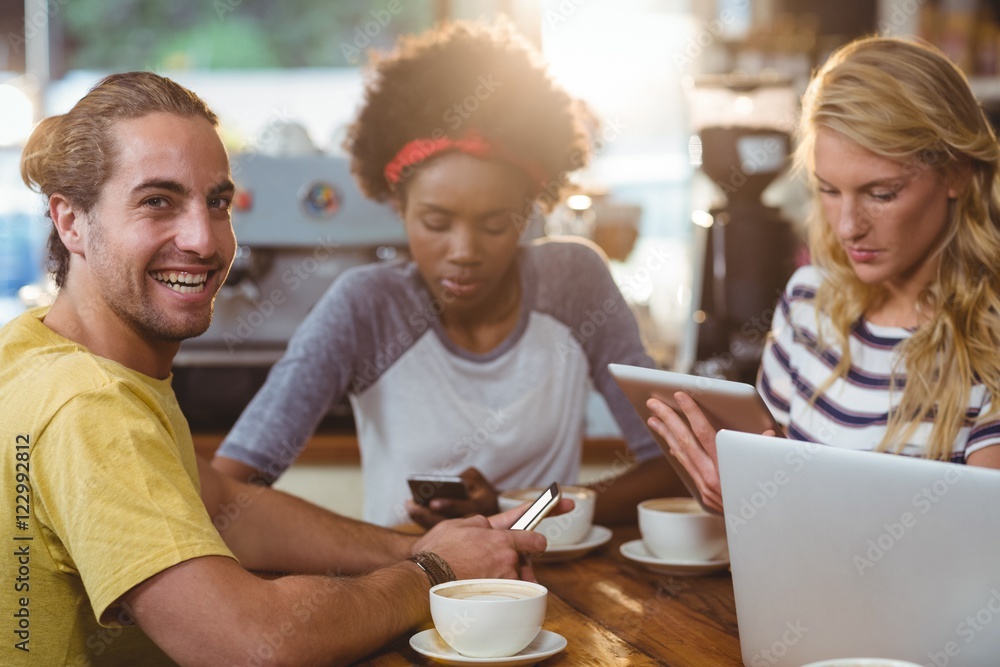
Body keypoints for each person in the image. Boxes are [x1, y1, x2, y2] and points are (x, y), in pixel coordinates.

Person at [0, 71, 567, 667]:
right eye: (157, 202)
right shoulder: (91, 408)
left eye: (216, 202)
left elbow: (222, 505)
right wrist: (435, 572)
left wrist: (420, 546)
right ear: (69, 222)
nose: (202, 239)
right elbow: (251, 642)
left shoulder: (37, 349)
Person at [211, 19, 680, 528]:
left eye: (496, 225)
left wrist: (510, 516)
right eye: (436, 223)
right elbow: (232, 488)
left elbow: (672, 466)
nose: (464, 252)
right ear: (399, 207)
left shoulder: (573, 282)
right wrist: (399, 547)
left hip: (555, 583)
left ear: (528, 213)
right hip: (412, 582)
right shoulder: (367, 306)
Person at [647, 36, 1000, 513]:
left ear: (956, 174)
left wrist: (766, 504)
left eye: (882, 193)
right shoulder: (808, 303)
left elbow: (980, 553)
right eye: (829, 190)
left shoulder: (988, 340)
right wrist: (739, 499)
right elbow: (767, 513)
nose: (849, 227)